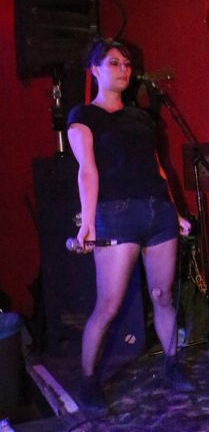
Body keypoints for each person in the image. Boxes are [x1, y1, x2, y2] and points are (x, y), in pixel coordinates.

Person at [67, 38, 193, 410]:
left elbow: (157, 169)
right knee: (109, 304)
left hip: (158, 213)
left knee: (163, 295)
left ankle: (172, 364)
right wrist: (88, 222)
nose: (124, 69)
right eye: (114, 63)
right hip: (116, 215)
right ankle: (88, 380)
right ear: (95, 70)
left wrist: (175, 212)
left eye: (127, 64)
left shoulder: (140, 117)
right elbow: (87, 171)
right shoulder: (83, 116)